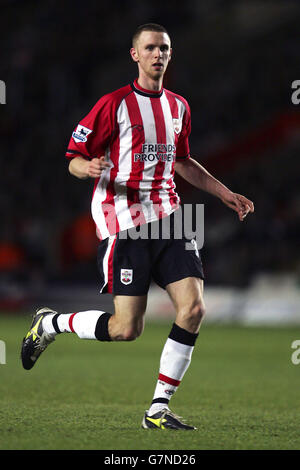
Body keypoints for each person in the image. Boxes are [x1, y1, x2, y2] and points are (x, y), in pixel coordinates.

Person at [21, 23, 254, 430]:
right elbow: (74, 156)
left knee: (194, 308)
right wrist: (86, 168)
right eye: (150, 48)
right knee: (126, 328)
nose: (158, 54)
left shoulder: (179, 106)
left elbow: (182, 161)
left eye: (164, 48)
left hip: (168, 219)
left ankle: (158, 408)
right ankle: (51, 322)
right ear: (135, 55)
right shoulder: (113, 105)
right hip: (122, 222)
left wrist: (223, 192)